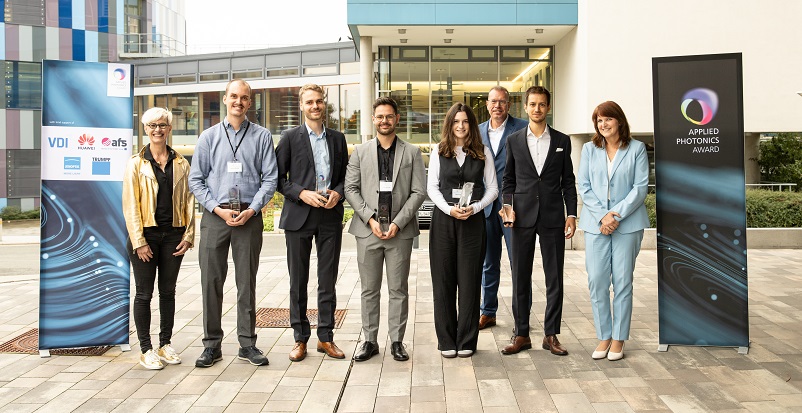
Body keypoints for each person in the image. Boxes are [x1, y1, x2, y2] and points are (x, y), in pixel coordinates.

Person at [189, 79, 278, 367]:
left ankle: (247, 344)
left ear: (250, 103)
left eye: (244, 97)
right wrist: (217, 209)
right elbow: (196, 180)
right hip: (216, 217)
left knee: (246, 282)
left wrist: (252, 210)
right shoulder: (208, 137)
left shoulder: (262, 137)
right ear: (225, 99)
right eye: (234, 96)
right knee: (211, 282)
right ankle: (211, 345)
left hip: (249, 219)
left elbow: (271, 178)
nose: (239, 101)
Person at [345, 97, 427, 362]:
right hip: (367, 231)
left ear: (397, 119)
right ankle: (369, 341)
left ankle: (397, 341)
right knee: (369, 290)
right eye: (380, 116)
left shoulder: (412, 152)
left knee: (398, 289)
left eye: (389, 116)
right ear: (373, 119)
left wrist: (397, 222)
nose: (384, 121)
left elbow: (418, 192)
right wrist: (370, 218)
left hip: (399, 232)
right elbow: (350, 189)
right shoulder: (359, 152)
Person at [500, 86, 577, 356]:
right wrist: (507, 206)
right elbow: (508, 180)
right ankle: (521, 333)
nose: (537, 109)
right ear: (526, 107)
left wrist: (571, 214)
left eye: (542, 104)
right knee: (520, 276)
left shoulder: (562, 141)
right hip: (520, 217)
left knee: (554, 278)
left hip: (553, 217)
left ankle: (550, 335)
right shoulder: (513, 140)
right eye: (532, 104)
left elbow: (568, 181)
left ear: (548, 107)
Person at [276, 84, 349, 362]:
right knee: (299, 280)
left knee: (327, 279)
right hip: (299, 216)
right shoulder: (289, 138)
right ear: (302, 106)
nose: (315, 106)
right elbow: (278, 179)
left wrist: (338, 192)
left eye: (319, 101)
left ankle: (326, 337)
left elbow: (345, 176)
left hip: (330, 215)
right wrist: (301, 193)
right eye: (309, 102)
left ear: (324, 104)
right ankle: (300, 338)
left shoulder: (338, 139)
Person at [123, 107, 195, 370]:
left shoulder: (181, 163)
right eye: (152, 125)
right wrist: (139, 241)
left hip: (173, 236)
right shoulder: (136, 163)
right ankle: (145, 349)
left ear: (169, 128)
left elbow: (189, 201)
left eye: (162, 125)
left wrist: (188, 235)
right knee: (144, 294)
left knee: (168, 292)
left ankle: (165, 344)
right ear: (145, 129)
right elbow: (130, 205)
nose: (157, 130)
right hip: (146, 237)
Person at [578, 101, 649, 361]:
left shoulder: (637, 148)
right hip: (596, 225)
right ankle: (603, 335)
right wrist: (602, 216)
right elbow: (583, 186)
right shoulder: (589, 149)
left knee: (622, 281)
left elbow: (640, 187)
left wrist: (615, 215)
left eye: (608, 119)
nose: (603, 124)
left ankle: (618, 338)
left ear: (619, 121)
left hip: (627, 225)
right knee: (597, 281)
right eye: (599, 120)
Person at [428, 102, 498, 358]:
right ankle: (446, 340)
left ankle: (467, 339)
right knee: (443, 281)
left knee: (469, 282)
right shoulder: (439, 151)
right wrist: (449, 209)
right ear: (449, 124)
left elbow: (493, 189)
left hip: (472, 223)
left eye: (465, 122)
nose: (460, 126)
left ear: (471, 125)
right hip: (444, 223)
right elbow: (432, 188)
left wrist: (476, 207)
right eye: (456, 122)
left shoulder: (483, 153)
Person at [478, 86, 529, 330]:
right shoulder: (476, 132)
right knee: (488, 263)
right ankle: (488, 312)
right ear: (487, 105)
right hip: (486, 208)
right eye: (493, 102)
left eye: (502, 102)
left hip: (513, 207)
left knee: (518, 263)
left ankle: (523, 318)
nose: (497, 106)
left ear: (509, 105)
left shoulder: (522, 128)